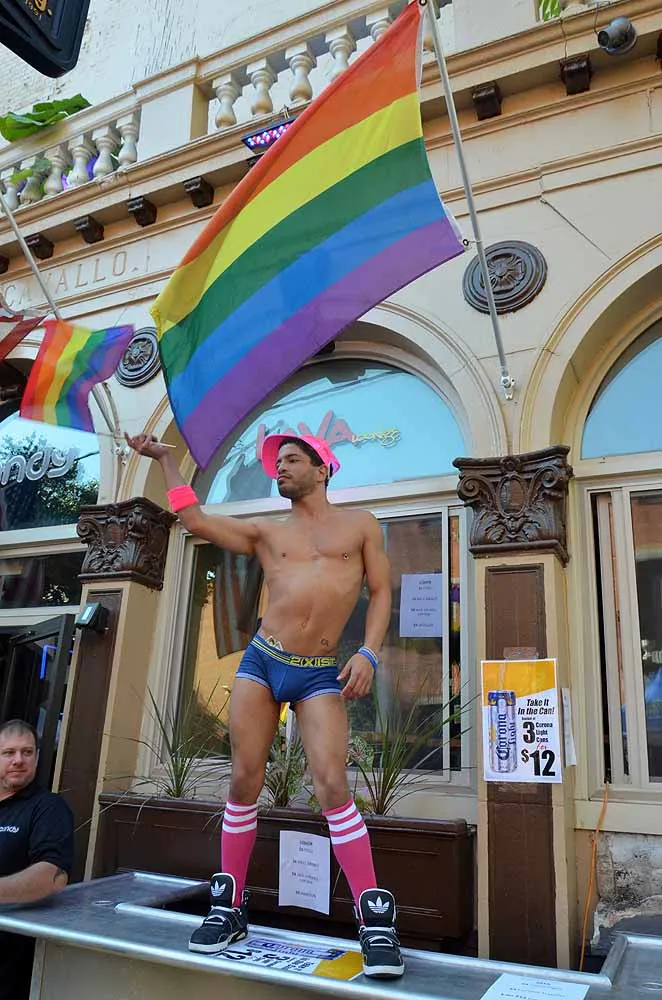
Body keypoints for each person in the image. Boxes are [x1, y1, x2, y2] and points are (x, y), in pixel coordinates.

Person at [125, 430, 404, 978]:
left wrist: (369, 653)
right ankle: (228, 906)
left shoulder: (361, 525)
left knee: (333, 787)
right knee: (242, 781)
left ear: (322, 469)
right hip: (263, 660)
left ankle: (375, 922)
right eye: (278, 462)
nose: (281, 468)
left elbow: (382, 592)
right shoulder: (266, 532)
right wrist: (165, 460)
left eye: (292, 460)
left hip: (319, 670)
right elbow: (195, 520)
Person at [0, 719, 74, 1000]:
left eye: (27, 752)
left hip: (12, 960)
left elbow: (51, 878)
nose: (18, 760)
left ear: (37, 757)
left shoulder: (48, 808)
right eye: (9, 752)